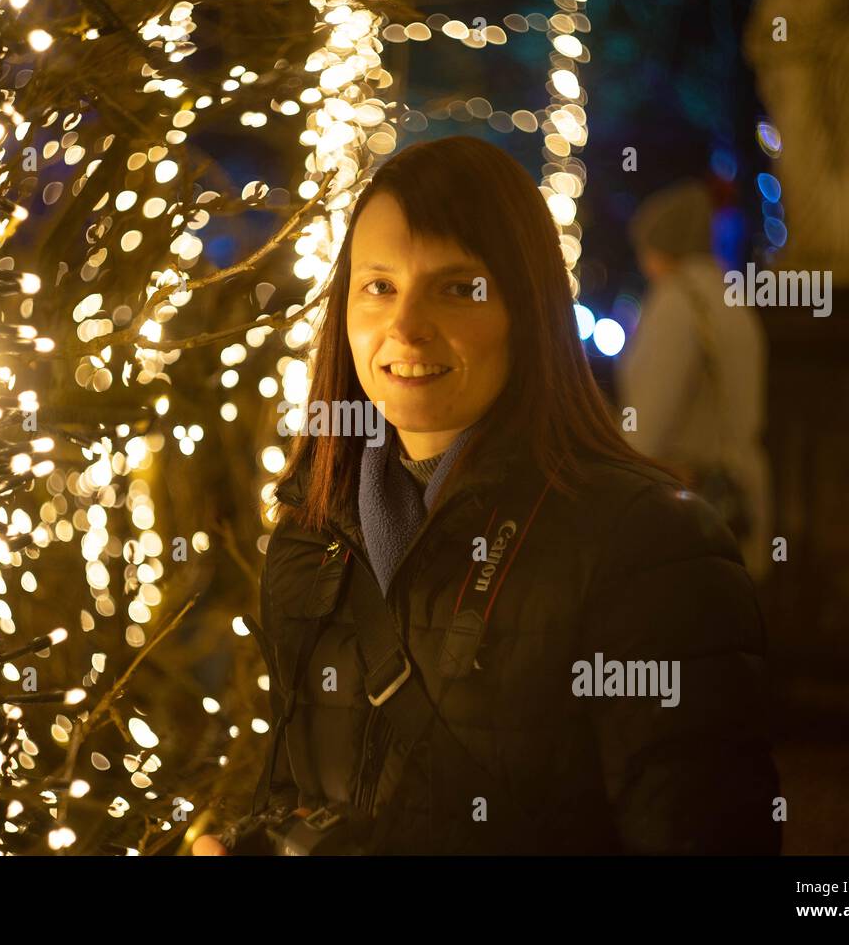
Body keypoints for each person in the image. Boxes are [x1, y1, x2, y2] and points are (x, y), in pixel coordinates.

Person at [194, 137, 781, 855]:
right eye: (378, 286)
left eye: (456, 286)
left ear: (527, 312)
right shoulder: (313, 532)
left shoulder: (650, 548)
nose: (405, 326)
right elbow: (305, 795)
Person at [616, 180, 772, 582]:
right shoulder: (728, 297)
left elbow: (650, 420)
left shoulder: (676, 302)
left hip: (689, 501)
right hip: (737, 494)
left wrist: (616, 474)